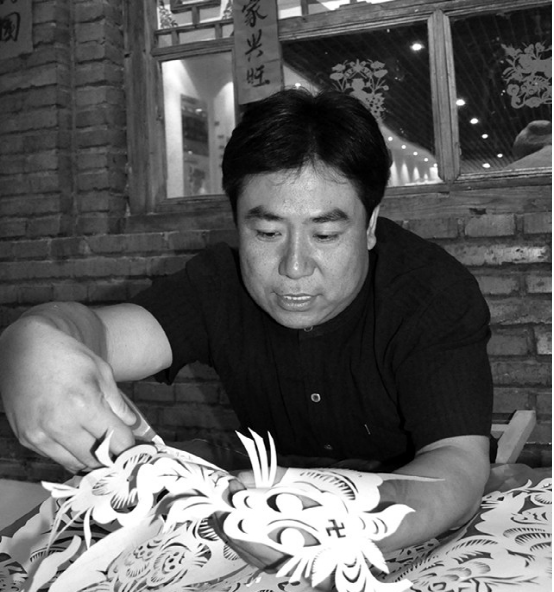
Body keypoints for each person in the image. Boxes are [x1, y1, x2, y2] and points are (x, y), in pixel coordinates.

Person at [0, 89, 492, 566]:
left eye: (325, 234)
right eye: (267, 232)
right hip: (260, 500)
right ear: (237, 223)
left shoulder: (429, 294)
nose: (294, 267)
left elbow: (457, 464)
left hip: (401, 520)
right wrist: (35, 339)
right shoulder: (218, 285)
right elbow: (95, 336)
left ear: (369, 226)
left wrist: (349, 519)